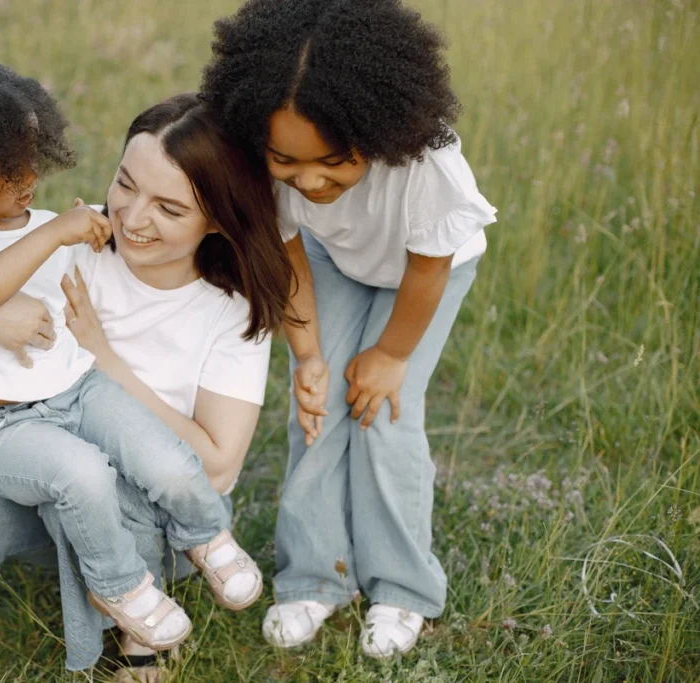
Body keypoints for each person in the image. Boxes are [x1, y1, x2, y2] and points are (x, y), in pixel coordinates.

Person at [0, 92, 295, 674]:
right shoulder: (69, 247)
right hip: (47, 458)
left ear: (217, 218)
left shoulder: (228, 312)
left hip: (162, 505)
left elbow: (214, 467)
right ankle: (49, 563)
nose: (133, 218)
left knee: (110, 484)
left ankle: (137, 636)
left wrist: (103, 358)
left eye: (169, 208)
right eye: (126, 184)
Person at [201, 0, 497, 658]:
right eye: (287, 161)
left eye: (333, 161)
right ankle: (315, 574)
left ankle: (403, 586)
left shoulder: (427, 166)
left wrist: (390, 354)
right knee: (318, 406)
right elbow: (290, 254)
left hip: (424, 275)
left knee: (382, 410)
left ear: (377, 131)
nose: (309, 179)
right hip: (335, 259)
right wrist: (309, 356)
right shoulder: (262, 157)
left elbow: (428, 268)